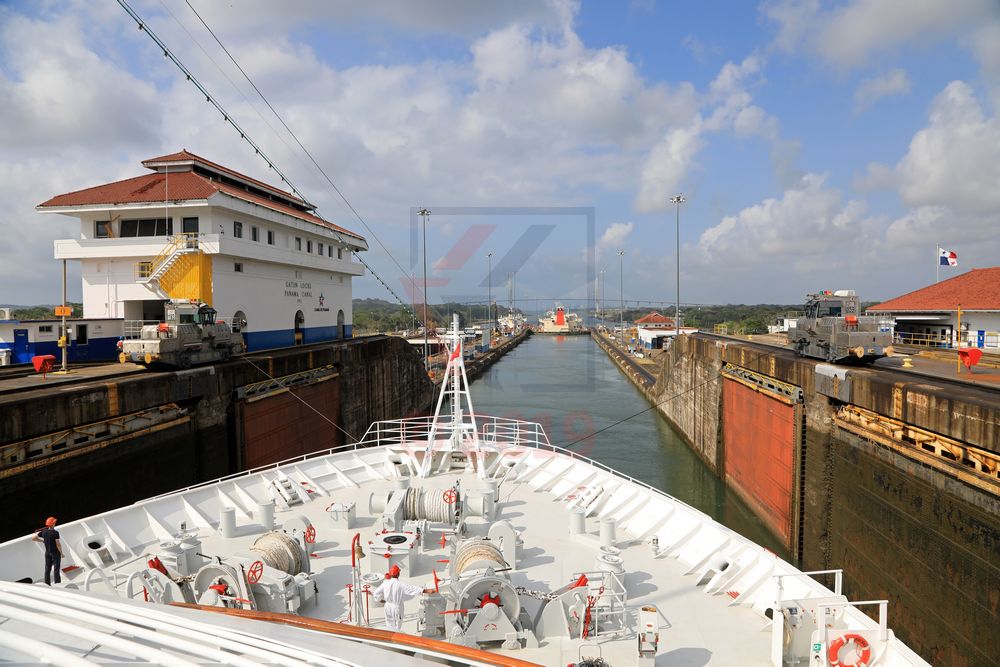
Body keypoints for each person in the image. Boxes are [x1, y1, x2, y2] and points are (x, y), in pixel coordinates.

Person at [372, 564, 434, 631]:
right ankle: (396, 635)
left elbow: (376, 593)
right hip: (396, 607)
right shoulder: (400, 585)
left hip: (387, 606)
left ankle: (390, 635)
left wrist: (380, 600)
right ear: (398, 574)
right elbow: (412, 589)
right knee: (397, 626)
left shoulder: (385, 583)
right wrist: (426, 590)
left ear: (390, 574)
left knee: (389, 624)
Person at [32, 517, 63, 585]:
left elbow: (33, 538)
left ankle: (47, 584)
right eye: (54, 522)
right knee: (56, 570)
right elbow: (58, 544)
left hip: (47, 553)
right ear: (53, 524)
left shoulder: (44, 531)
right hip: (55, 553)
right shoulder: (55, 533)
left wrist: (42, 541)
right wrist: (61, 553)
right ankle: (58, 584)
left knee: (47, 569)